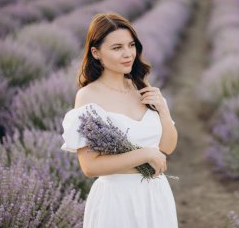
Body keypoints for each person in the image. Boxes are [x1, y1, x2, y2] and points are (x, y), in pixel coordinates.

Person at [60, 12, 178, 227]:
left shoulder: (142, 87)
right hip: (117, 200)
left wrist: (163, 109)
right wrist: (145, 154)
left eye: (131, 45)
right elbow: (89, 167)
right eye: (117, 48)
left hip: (156, 194)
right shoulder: (89, 97)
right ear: (96, 53)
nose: (128, 54)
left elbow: (167, 148)